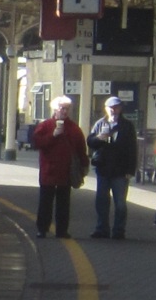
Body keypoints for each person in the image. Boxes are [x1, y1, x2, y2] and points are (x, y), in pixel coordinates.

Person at [30, 95, 89, 239]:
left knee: (64, 203)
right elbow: (36, 143)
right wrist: (53, 135)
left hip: (66, 172)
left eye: (67, 109)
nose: (64, 111)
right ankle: (42, 229)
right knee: (45, 202)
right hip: (48, 171)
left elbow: (81, 149)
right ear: (55, 109)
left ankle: (62, 230)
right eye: (62, 108)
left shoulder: (74, 129)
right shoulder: (45, 125)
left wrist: (84, 165)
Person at [87, 95, 138, 239]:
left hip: (121, 171)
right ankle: (101, 229)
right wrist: (99, 138)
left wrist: (130, 170)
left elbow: (132, 148)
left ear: (120, 109)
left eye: (116, 107)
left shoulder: (127, 126)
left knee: (120, 203)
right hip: (103, 168)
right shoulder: (100, 124)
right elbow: (90, 142)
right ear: (106, 109)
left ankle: (119, 230)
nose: (114, 110)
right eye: (111, 108)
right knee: (102, 201)